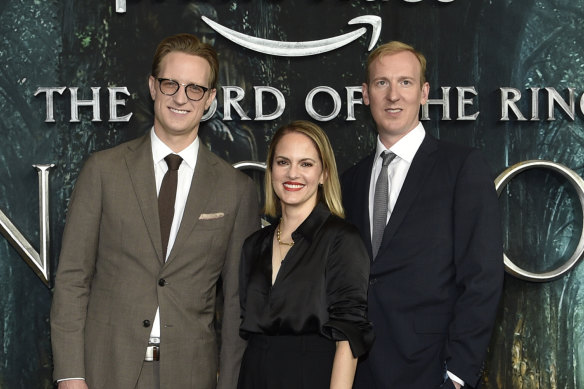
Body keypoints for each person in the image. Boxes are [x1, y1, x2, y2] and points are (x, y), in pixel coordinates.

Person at [50, 33, 259, 389]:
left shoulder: (236, 190)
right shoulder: (103, 171)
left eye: (195, 88)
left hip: (192, 375)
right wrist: (71, 376)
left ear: (209, 98)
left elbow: (239, 304)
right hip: (105, 370)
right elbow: (72, 279)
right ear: (152, 86)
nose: (181, 97)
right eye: (170, 84)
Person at [341, 41, 503, 388]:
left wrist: (458, 375)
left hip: (431, 371)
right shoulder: (350, 181)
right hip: (358, 372)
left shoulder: (461, 167)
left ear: (424, 92)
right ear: (366, 94)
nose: (393, 96)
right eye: (382, 83)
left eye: (405, 82)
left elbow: (482, 277)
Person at [237, 120, 374, 389]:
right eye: (283, 162)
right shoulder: (254, 245)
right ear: (271, 169)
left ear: (324, 174)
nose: (292, 174)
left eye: (306, 164)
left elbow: (349, 335)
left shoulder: (342, 240)